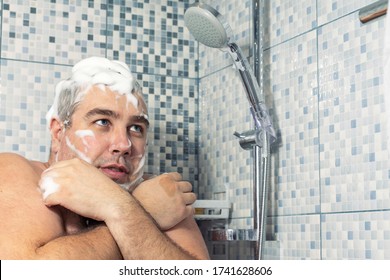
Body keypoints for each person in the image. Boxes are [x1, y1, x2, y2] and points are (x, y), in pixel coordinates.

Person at [0, 56, 209, 260]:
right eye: (103, 122)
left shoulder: (160, 192)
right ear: (58, 132)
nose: (124, 145)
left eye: (136, 128)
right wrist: (140, 211)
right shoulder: (15, 172)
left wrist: (119, 205)